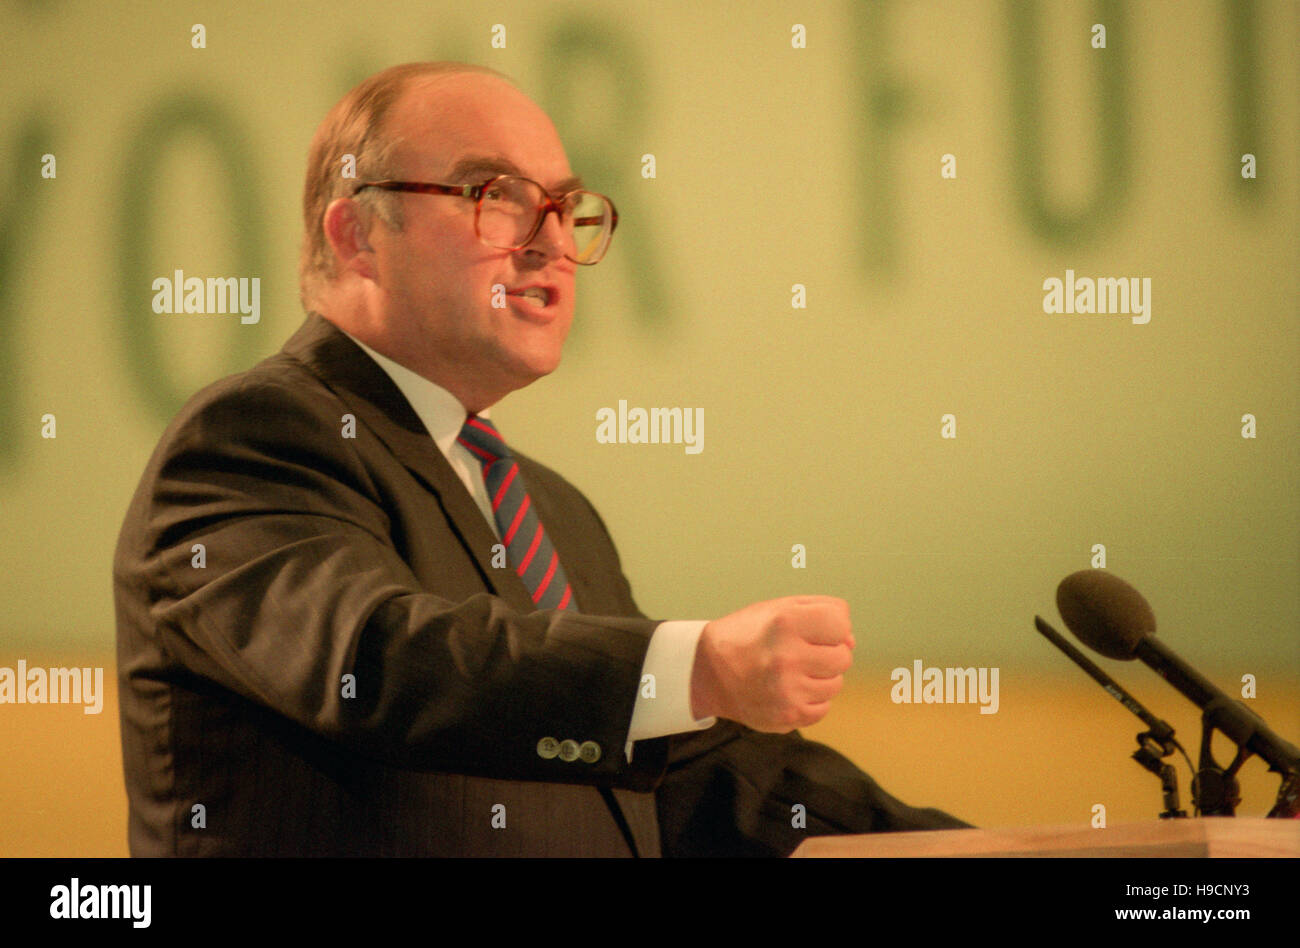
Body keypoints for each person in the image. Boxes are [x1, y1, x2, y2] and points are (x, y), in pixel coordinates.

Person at [113, 61, 966, 856]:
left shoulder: (551, 512)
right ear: (357, 235)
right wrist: (695, 663)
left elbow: (700, 774)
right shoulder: (251, 437)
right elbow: (373, 662)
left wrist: (980, 849)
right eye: (497, 196)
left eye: (565, 207)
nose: (552, 242)